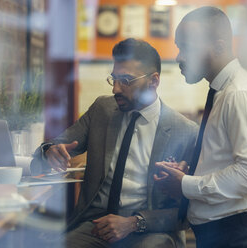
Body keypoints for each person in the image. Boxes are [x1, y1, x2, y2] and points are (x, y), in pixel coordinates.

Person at [31, 38, 198, 248]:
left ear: (153, 81)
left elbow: (188, 212)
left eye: (126, 80)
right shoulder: (102, 109)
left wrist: (133, 223)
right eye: (114, 79)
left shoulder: (185, 131)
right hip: (95, 226)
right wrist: (50, 152)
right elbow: (54, 145)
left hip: (149, 231)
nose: (116, 89)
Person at [154, 7, 247, 248]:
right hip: (219, 235)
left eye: (187, 47)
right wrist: (190, 173)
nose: (179, 57)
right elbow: (225, 161)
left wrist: (186, 184)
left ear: (219, 47)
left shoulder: (240, 94)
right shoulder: (221, 92)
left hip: (237, 237)